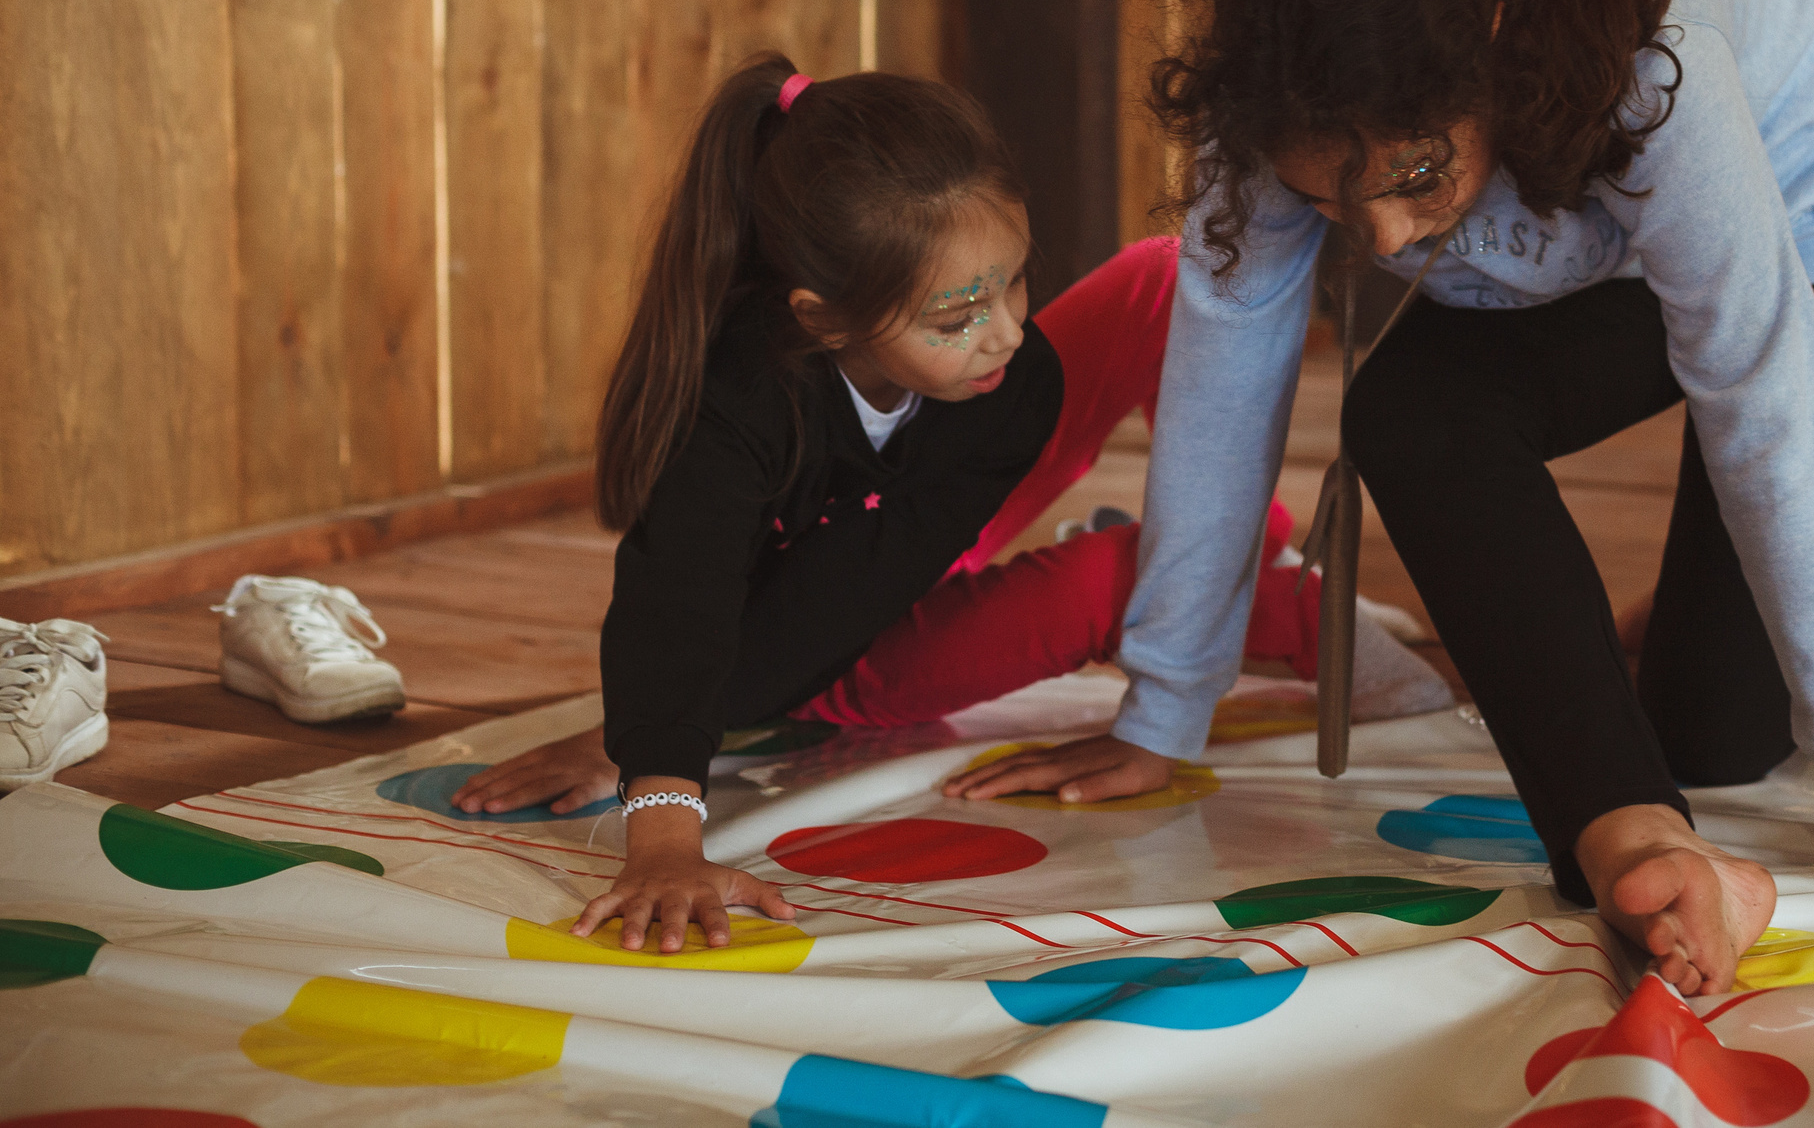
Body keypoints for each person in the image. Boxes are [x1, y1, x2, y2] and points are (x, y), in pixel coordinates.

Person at [967, 0, 1814, 998]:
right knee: (1413, 415)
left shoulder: (1652, 68)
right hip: (1580, 244)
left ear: (1490, 38)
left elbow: (1767, 398)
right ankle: (1631, 833)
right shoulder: (1280, 97)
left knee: (1726, 734)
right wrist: (1162, 708)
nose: (1377, 238)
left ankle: (1656, 637)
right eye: (1333, 201)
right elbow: (1227, 368)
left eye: (1415, 173)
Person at [453, 56, 1445, 954]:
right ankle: (1311, 620)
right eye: (959, 315)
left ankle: (1238, 556)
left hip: (912, 525)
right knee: (1129, 571)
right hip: (815, 652)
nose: (1009, 331)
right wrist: (656, 783)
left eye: (1016, 282)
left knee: (1162, 276)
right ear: (823, 317)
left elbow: (928, 522)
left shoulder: (998, 375)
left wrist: (962, 350)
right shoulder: (735, 406)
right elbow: (688, 610)